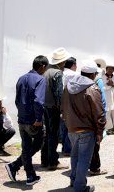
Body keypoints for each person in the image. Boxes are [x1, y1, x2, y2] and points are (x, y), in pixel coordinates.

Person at [61, 59, 106, 192]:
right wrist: (99, 132)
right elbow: (99, 113)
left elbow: (62, 107)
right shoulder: (93, 88)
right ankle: (80, 187)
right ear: (92, 75)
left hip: (72, 129)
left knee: (75, 156)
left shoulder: (68, 86)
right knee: (84, 159)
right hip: (87, 130)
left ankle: (74, 181)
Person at [5, 55, 48, 186]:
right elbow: (38, 101)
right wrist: (38, 119)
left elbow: (17, 100)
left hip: (22, 119)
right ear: (43, 67)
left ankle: (26, 173)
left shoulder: (21, 78)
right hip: (33, 120)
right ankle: (21, 169)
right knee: (39, 142)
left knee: (26, 146)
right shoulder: (40, 79)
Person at [42, 47, 70, 170]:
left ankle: (45, 160)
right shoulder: (57, 73)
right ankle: (53, 161)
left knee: (47, 134)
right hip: (53, 107)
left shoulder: (46, 71)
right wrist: (62, 109)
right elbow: (58, 94)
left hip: (45, 106)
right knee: (53, 134)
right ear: (62, 62)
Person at [88, 59, 108, 176]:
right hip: (95, 115)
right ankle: (95, 168)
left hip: (83, 117)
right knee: (96, 143)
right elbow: (102, 101)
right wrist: (102, 117)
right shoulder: (98, 80)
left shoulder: (80, 81)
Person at [61, 57, 78, 156]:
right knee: (70, 127)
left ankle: (64, 147)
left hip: (62, 102)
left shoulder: (62, 73)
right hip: (71, 102)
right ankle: (68, 149)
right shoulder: (74, 74)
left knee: (63, 127)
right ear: (73, 66)